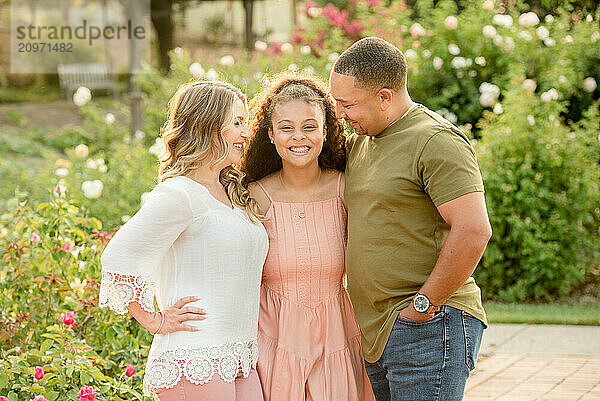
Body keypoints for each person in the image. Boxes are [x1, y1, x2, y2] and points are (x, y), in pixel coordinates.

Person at [329, 37, 492, 401]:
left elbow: (473, 230)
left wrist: (424, 305)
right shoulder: (362, 143)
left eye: (348, 104)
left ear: (384, 97)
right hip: (380, 332)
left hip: (428, 325)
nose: (340, 114)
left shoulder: (435, 140)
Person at [99, 81, 269, 401]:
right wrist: (154, 320)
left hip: (239, 355)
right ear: (207, 126)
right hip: (194, 357)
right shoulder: (179, 194)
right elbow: (118, 256)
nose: (246, 132)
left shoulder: (231, 192)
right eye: (236, 122)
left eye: (244, 122)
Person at [240, 72, 375, 401]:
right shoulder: (253, 196)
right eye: (286, 127)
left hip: (337, 337)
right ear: (271, 135)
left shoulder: (345, 188)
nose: (297, 137)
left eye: (309, 126)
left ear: (326, 132)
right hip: (272, 339)